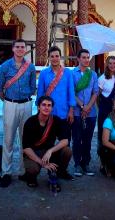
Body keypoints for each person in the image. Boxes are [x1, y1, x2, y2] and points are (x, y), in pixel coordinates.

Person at [0, 39, 37, 187]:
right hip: (10, 104)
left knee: (25, 139)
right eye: (17, 47)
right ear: (13, 49)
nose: (20, 49)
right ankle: (6, 172)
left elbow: (33, 87)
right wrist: (8, 100)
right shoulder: (5, 66)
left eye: (22, 47)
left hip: (26, 104)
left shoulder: (30, 67)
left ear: (25, 49)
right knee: (8, 139)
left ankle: (23, 171)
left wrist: (24, 97)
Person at [37, 46, 75, 180]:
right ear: (49, 57)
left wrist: (71, 110)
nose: (54, 58)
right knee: (49, 143)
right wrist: (39, 111)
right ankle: (51, 170)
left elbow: (71, 92)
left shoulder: (68, 73)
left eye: (57, 56)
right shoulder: (43, 74)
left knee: (65, 144)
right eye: (52, 56)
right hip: (48, 115)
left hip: (64, 114)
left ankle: (62, 170)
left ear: (60, 57)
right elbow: (40, 93)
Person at [22, 96, 72, 191]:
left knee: (67, 151)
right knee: (33, 170)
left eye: (49, 105)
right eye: (44, 105)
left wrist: (50, 151)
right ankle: (30, 177)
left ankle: (55, 174)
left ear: (52, 108)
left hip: (48, 153)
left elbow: (65, 140)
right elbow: (26, 148)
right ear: (38, 107)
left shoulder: (56, 120)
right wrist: (42, 163)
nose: (46, 107)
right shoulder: (30, 122)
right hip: (33, 153)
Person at [72, 49, 99, 177]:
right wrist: (82, 106)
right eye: (83, 57)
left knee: (87, 139)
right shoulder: (72, 74)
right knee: (77, 139)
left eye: (88, 57)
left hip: (91, 112)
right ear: (78, 59)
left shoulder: (93, 74)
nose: (86, 60)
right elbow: (71, 92)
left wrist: (88, 107)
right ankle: (77, 164)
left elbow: (95, 92)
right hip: (77, 112)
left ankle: (86, 163)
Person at [97, 56, 115, 169]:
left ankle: (114, 161)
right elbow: (97, 96)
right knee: (103, 135)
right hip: (105, 110)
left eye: (114, 63)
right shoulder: (102, 78)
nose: (112, 65)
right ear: (107, 64)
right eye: (110, 63)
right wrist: (101, 108)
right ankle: (103, 162)